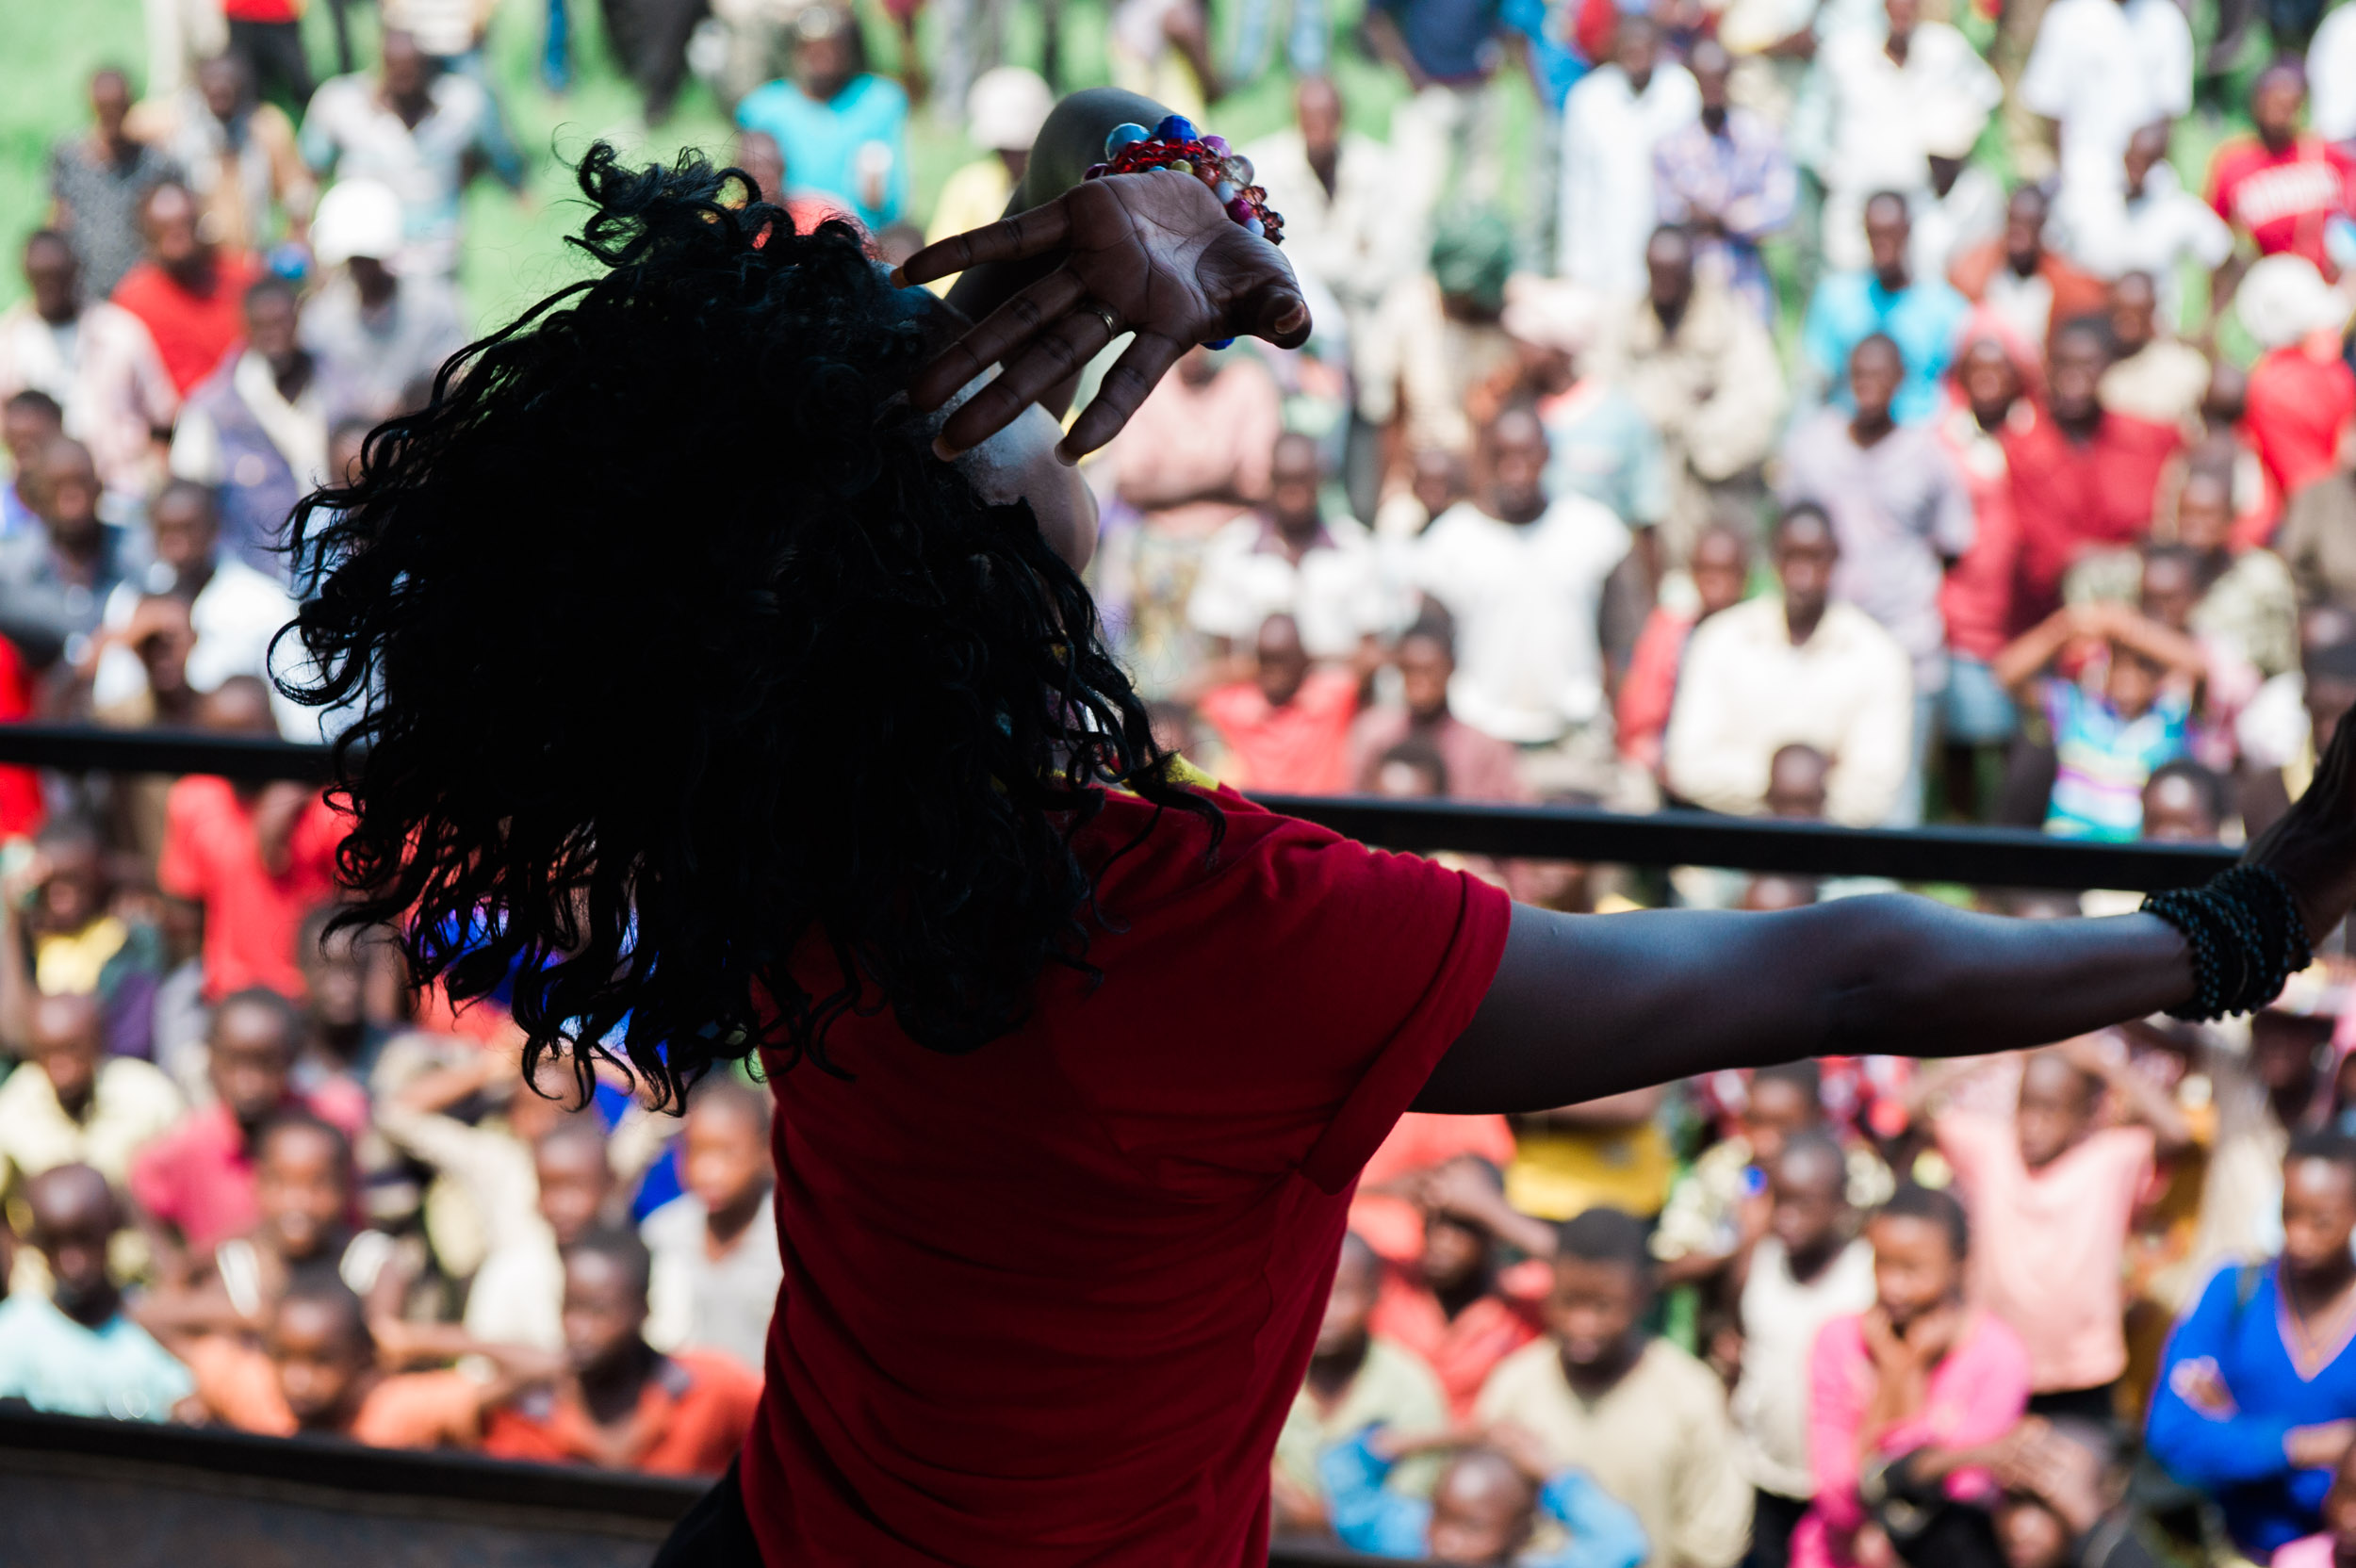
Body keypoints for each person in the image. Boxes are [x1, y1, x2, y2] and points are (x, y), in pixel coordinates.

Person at [279, 91, 2356, 1562]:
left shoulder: (773, 807)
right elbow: (1826, 962)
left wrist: (1141, 181)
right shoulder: (1213, 935)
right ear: (969, 580)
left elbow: (994, 288)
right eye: (1004, 416)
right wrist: (2255, 916)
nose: (1024, 388)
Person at [1918, 1042, 2189, 1417]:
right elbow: (1906, 1109)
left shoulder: (2109, 1160)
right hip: (1993, 1364)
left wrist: (2104, 1063)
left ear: (2086, 1116)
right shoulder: (1993, 1150)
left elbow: (2177, 1133)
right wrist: (1994, 1055)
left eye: (2050, 1110)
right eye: (2025, 1106)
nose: (2032, 1124)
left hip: (2082, 1373)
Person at [1474, 1208, 1753, 1568]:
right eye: (1569, 1301)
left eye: (1603, 1306)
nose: (1582, 1323)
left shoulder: (1690, 1396)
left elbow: (1715, 1543)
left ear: (1641, 1297)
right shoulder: (1514, 1386)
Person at [1794, 1184, 2033, 1568]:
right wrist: (1897, 1372)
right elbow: (1838, 1497)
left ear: (1959, 1264)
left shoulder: (1998, 1357)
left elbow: (1952, 1493)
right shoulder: (1838, 1340)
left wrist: (1910, 1377)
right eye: (1881, 1263)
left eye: (1912, 1269)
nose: (1892, 1286)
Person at [2148, 1135, 2356, 1558]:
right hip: (2225, 1546)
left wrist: (2233, 1425)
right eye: (2288, 1214)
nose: (2298, 1237)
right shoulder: (2234, 1290)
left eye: (2322, 1222)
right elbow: (2170, 1432)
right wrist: (2311, 1446)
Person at [1778, 334, 1975, 779]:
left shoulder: (1928, 456)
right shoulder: (1811, 446)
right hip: (1828, 645)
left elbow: (1953, 543)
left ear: (1901, 379)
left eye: (1879, 374)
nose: (1868, 385)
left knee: (1894, 792)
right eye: (1859, 374)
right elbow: (1790, 531)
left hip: (1906, 644)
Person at [1411, 406, 1631, 783]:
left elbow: (1621, 641)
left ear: (1546, 456)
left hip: (1572, 742)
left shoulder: (1594, 530)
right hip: (1482, 739)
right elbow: (1428, 651)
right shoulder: (1450, 542)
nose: (1516, 469)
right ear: (1486, 460)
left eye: (1526, 456)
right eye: (1503, 457)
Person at [1665, 503, 1916, 826]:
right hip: (1731, 841)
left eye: (1815, 557)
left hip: (1838, 851)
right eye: (1792, 557)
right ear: (1774, 560)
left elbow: (1874, 792)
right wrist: (1796, 781)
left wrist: (1757, 778)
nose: (1803, 575)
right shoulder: (1721, 640)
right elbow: (1688, 767)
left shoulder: (1878, 655)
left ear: (1836, 558)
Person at [483, 1226, 763, 1475]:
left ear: (643, 1309)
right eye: (570, 1308)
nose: (579, 1329)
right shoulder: (527, 1413)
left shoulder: (709, 1390)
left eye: (598, 1312)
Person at [128, 988, 368, 1268]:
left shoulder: (325, 1128)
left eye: (265, 1064)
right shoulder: (190, 1144)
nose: (249, 1083)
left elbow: (355, 1220)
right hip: (228, 1301)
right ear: (211, 1060)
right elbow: (138, 1188)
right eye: (233, 1063)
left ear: (291, 1059)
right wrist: (171, 1263)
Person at [1097, 345, 1283, 694]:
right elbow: (1131, 486)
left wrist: (1172, 479)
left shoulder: (1249, 382)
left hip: (1231, 545)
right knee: (1154, 675)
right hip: (1159, 550)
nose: (1197, 350)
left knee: (1227, 670)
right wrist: (1219, 477)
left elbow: (1259, 483)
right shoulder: (1148, 381)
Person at [1731, 1134, 1878, 1568]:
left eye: (1805, 1205)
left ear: (1841, 1207)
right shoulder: (1760, 1260)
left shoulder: (1865, 1277)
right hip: (1764, 1473)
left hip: (1835, 1488)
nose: (1788, 1218)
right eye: (1781, 1200)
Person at [1601, 226, 1785, 569]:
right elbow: (1600, 397)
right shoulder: (1624, 322)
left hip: (1711, 494)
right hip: (1640, 499)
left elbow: (1760, 402)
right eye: (1657, 273)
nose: (1665, 284)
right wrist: (1660, 412)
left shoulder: (1729, 321)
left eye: (1674, 273)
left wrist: (1696, 428)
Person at [299, 27, 520, 281]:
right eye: (396, 72)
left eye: (412, 72)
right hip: (366, 257)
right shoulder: (340, 104)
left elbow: (487, 155)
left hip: (435, 255)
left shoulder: (460, 105)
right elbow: (310, 172)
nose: (404, 83)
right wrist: (303, 233)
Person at [90, 479, 304, 738]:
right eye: (166, 532)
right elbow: (110, 700)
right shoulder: (131, 600)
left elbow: (298, 717)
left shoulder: (263, 602)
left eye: (189, 530)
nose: (178, 546)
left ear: (215, 527)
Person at [2003, 322, 2183, 628]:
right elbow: (2041, 552)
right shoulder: (2023, 450)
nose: (2075, 377)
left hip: (2143, 619)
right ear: (2048, 368)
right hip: (2053, 622)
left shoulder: (2147, 438)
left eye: (2087, 365)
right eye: (2064, 365)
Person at [1270, 1231, 1450, 1531]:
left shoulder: (1409, 1387)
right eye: (1314, 1292)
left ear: (1374, 1295)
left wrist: (1325, 1520)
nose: (1325, 1312)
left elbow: (1409, 1503)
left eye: (1341, 1294)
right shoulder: (1269, 1372)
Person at [1805, 0, 2002, 274]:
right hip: (1853, 216)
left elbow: (1986, 96)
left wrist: (1953, 137)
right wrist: (1837, 173)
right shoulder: (1843, 53)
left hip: (1920, 216)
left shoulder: (1945, 48)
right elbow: (1810, 124)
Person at [186, 1277, 500, 1447]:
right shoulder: (257, 1388)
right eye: (284, 1357)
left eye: (321, 1362)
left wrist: (414, 1339)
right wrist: (252, 1319)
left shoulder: (394, 1407)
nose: (299, 1380)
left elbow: (536, 1367)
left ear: (363, 1360)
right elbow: (152, 1316)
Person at [1995, 599, 2209, 840]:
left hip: (2130, 862)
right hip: (2068, 857)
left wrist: (2126, 627)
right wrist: (2064, 628)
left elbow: (2199, 667)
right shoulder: (2079, 711)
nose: (2128, 683)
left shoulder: (2170, 722)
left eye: (2143, 669)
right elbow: (2007, 673)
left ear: (2159, 676)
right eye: (2119, 667)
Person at [0, 1163, 194, 1421]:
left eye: (85, 1239)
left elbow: (183, 1403)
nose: (72, 1263)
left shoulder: (147, 1320)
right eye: (54, 1243)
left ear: (111, 1228)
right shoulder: (15, 1329)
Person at [1186, 431, 1389, 677]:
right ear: (1270, 480)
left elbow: (1372, 652)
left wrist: (1307, 666)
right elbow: (1218, 661)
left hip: (1336, 700)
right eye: (1284, 480)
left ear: (1320, 480)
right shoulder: (1231, 548)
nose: (1294, 493)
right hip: (1254, 701)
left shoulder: (1355, 548)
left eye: (1303, 480)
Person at [0, 230, 176, 504]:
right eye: (40, 276)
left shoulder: (120, 332)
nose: (49, 285)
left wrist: (153, 479)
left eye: (57, 274)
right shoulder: (8, 340)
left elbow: (164, 420)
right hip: (36, 502)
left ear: (76, 269)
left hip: (120, 490)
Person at [1321, 1422, 1654, 1566]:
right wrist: (1465, 1434)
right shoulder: (1411, 1547)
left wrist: (1551, 1473)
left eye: (1473, 1528)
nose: (1447, 1542)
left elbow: (1622, 1542)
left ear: (1520, 1534)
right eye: (1439, 1516)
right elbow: (1341, 1476)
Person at [168, 275, 326, 580]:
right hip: (252, 574)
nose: (274, 335)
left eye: (281, 323)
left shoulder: (337, 387)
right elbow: (188, 495)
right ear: (246, 328)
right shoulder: (212, 407)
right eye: (262, 326)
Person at [1497, 280, 1668, 538]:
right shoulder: (1511, 410)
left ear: (1559, 351)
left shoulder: (1620, 417)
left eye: (1529, 344)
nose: (1518, 353)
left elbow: (1645, 515)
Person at [643, 1076, 784, 1373]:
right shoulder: (662, 1233)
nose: (708, 1171)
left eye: (726, 1152)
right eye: (696, 1151)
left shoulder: (787, 1239)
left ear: (764, 1151)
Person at [302, 178, 467, 426]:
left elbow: (459, 373)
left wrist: (413, 400)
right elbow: (320, 395)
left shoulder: (433, 304)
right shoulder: (322, 319)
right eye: (355, 259)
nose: (363, 268)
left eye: (369, 258)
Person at [1650, 40, 1794, 324]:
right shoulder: (1671, 146)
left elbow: (1781, 207)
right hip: (1693, 282)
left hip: (1747, 281)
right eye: (1704, 79)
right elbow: (1667, 213)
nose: (1712, 88)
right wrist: (1730, 209)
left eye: (1719, 78)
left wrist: (1721, 216)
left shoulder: (1760, 136)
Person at [1557, 17, 1699, 298]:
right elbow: (1576, 187)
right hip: (1607, 248)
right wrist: (1575, 263)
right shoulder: (1590, 98)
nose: (1638, 60)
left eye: (1645, 51)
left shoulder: (1680, 92)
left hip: (1666, 250)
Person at [1801, 192, 1972, 426]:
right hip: (1849, 434)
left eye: (1891, 233)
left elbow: (1958, 389)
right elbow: (1815, 382)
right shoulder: (1835, 297)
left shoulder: (1946, 308)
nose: (1883, 244)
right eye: (1875, 234)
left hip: (1920, 436)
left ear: (1908, 230)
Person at [735, 8, 910, 234]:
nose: (823, 57)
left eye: (832, 47)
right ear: (795, 51)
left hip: (861, 234)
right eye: (812, 48)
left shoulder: (880, 100)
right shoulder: (761, 107)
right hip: (784, 233)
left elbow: (894, 198)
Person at [128, 52, 316, 260]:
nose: (221, 96)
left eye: (227, 91)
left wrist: (294, 248)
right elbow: (125, 126)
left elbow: (298, 197)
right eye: (214, 90)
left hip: (252, 255)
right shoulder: (172, 125)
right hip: (195, 259)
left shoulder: (265, 128)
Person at [2017, 0, 2190, 217]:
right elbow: (2049, 107)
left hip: (2145, 183)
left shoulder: (2166, 21)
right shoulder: (2067, 17)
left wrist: (2140, 171)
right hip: (2080, 179)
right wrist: (2065, 177)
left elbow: (2170, 111)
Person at [0, 992, 181, 1197]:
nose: (62, 1071)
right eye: (47, 1054)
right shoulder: (11, 1110)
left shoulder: (148, 1095)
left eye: (72, 1050)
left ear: (98, 1043)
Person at [2061, 123, 2234, 337]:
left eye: (2147, 160)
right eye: (2133, 158)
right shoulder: (2095, 199)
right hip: (2097, 334)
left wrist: (2207, 328)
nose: (2137, 167)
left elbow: (2228, 261)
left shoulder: (2177, 211)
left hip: (2154, 337)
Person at [0, 435, 147, 679]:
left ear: (99, 487)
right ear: (36, 497)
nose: (72, 499)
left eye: (81, 484)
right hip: (36, 706)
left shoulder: (138, 553)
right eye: (57, 487)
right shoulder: (8, 568)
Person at [1350, 611, 1529, 803]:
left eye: (1429, 670)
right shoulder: (1374, 735)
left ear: (1450, 668)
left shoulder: (1484, 748)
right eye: (1409, 670)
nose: (1419, 682)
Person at [109, 180, 259, 400]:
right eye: (164, 229)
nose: (177, 238)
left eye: (183, 226)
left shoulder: (242, 278)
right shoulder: (132, 300)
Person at [2208, 63, 2356, 286]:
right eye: (2274, 103)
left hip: (2332, 287)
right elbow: (2216, 241)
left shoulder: (2324, 155)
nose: (2281, 114)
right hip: (2271, 291)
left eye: (2289, 106)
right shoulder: (2233, 164)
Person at [48, 68, 185, 302]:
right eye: (104, 108)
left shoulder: (156, 163)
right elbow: (59, 218)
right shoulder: (69, 159)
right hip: (86, 290)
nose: (111, 116)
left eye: (117, 107)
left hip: (141, 289)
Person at [1197, 612, 1359, 794]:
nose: (1275, 670)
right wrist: (1245, 666)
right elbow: (1184, 692)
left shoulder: (1329, 698)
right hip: (1265, 817)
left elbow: (1369, 661)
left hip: (1324, 815)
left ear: (1301, 658)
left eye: (1283, 659)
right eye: (1266, 659)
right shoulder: (1238, 706)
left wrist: (1312, 658)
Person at [1949, 186, 2110, 351]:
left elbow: (2091, 299)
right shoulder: (1983, 266)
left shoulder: (2055, 279)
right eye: (2014, 221)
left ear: (2042, 226)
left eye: (2029, 224)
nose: (2019, 233)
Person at [925, 67, 1055, 261]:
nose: (1012, 159)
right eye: (1004, 150)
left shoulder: (1057, 191)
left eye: (1021, 150)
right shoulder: (969, 187)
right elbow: (940, 262)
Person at [2098, 271, 2211, 430]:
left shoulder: (2186, 368)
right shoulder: (2096, 367)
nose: (2125, 323)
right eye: (2118, 312)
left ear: (2151, 309)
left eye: (2135, 313)